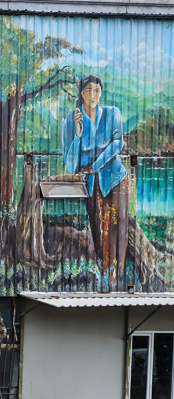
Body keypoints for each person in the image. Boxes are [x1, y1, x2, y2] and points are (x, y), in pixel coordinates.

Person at [63, 74, 130, 290]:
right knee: (97, 228)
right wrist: (78, 135)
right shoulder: (71, 120)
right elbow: (71, 165)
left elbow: (117, 143)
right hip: (92, 185)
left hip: (115, 180)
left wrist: (96, 165)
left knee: (116, 228)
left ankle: (117, 276)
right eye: (88, 90)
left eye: (97, 90)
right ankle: (103, 273)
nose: (93, 95)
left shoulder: (112, 113)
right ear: (81, 93)